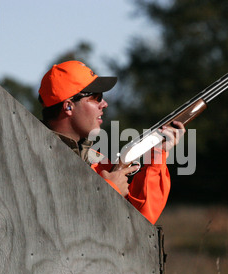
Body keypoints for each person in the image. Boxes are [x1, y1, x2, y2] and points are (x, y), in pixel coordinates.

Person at [38, 60, 185, 224]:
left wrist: (157, 155)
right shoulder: (34, 156)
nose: (104, 104)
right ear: (68, 106)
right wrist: (108, 191)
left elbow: (143, 218)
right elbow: (50, 220)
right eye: (96, 97)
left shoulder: (96, 161)